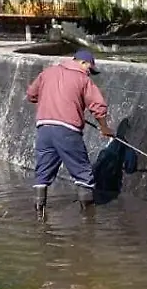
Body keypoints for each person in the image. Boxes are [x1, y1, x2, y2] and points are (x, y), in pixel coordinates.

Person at [25, 49, 114, 220]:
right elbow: (98, 106)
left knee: (43, 172)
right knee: (82, 172)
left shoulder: (47, 73)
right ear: (82, 62)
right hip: (67, 130)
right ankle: (88, 219)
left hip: (44, 129)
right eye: (89, 68)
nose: (89, 72)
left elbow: (31, 95)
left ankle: (39, 216)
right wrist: (104, 128)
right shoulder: (82, 78)